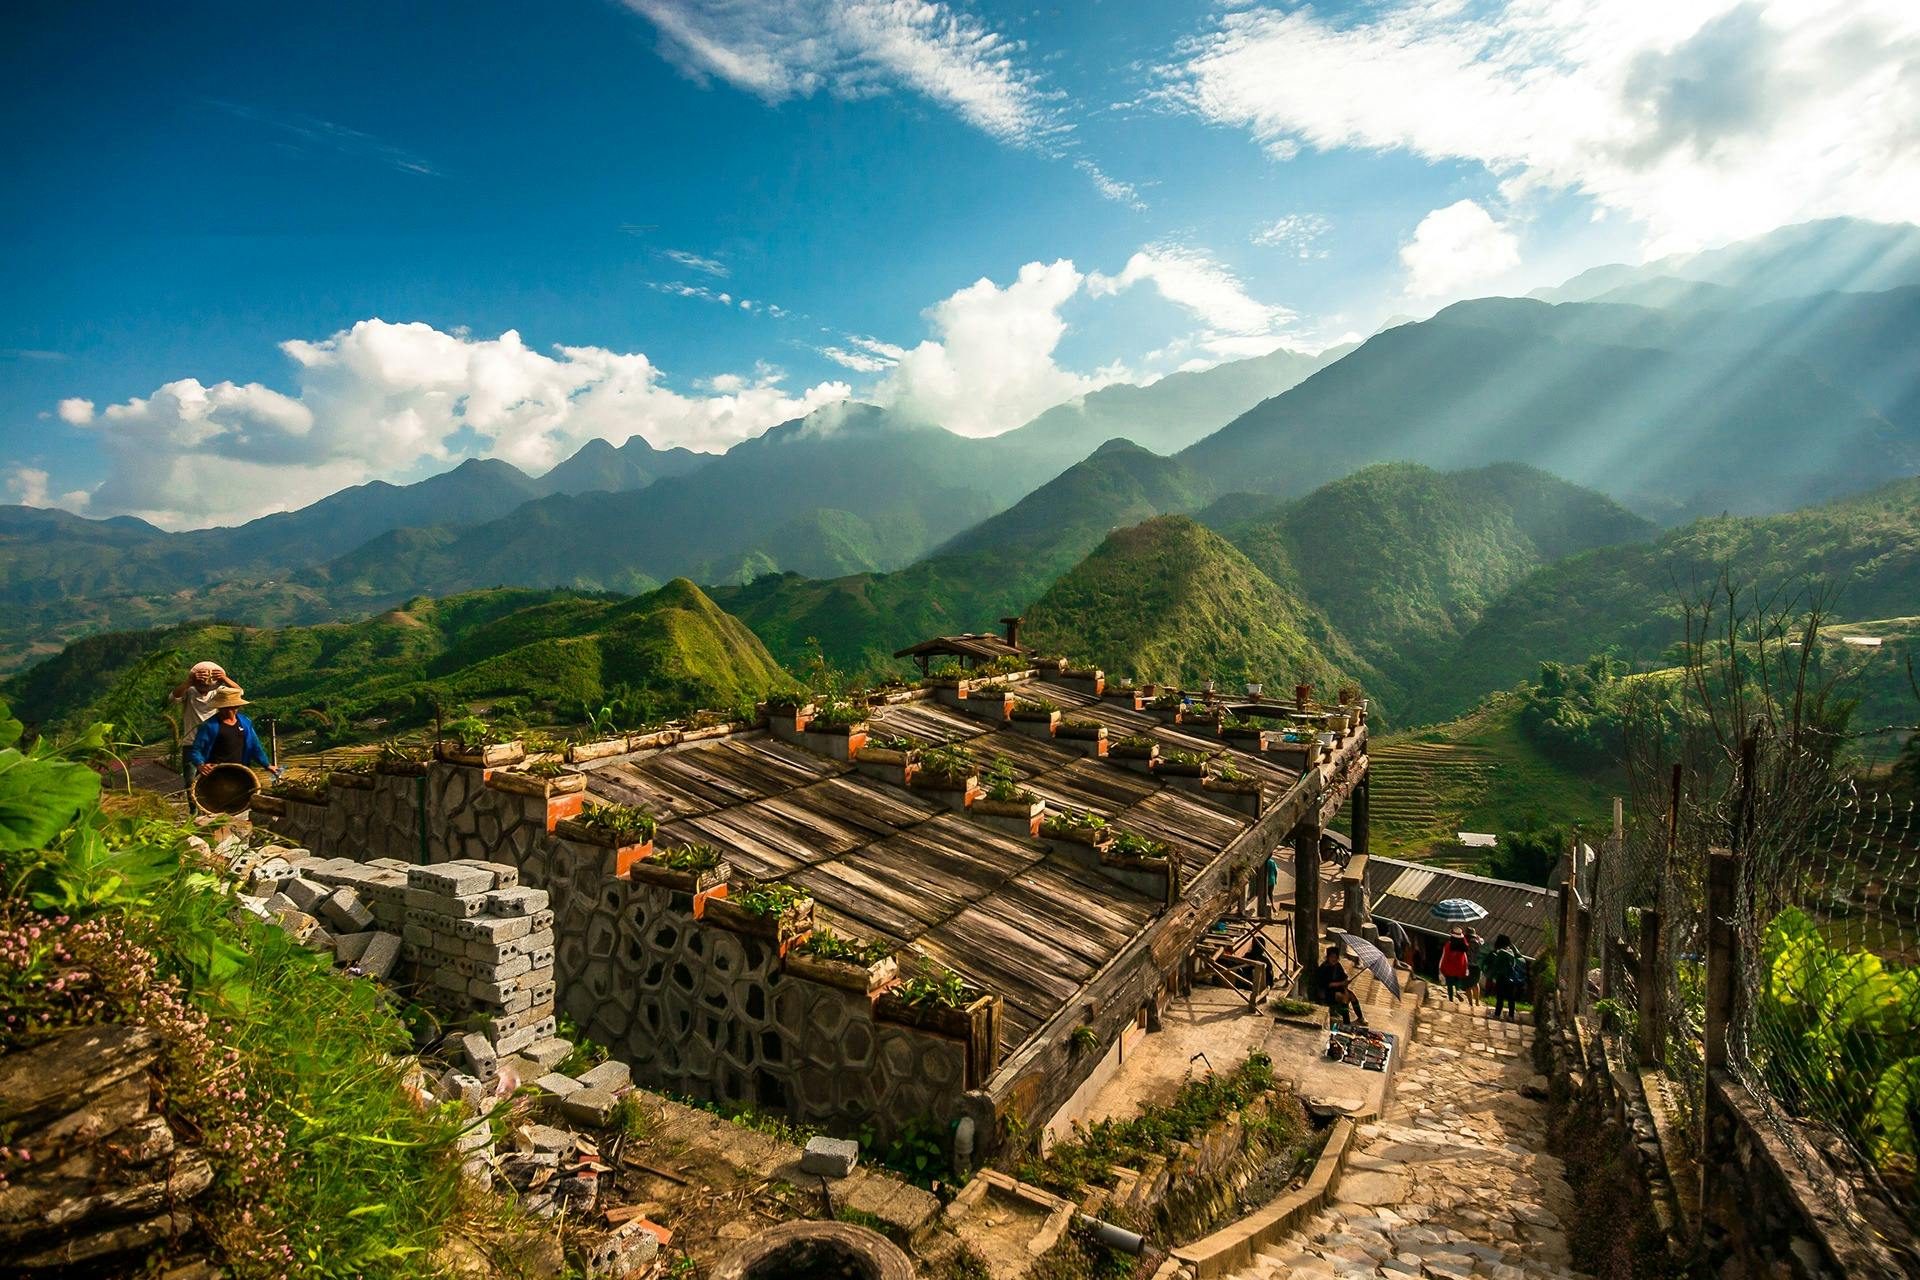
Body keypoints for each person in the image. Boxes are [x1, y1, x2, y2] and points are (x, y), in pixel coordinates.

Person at [170, 662, 242, 793]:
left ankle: (209, 809)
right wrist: (189, 682)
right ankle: (194, 809)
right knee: (190, 781)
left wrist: (224, 678)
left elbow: (238, 692)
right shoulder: (189, 692)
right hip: (191, 743)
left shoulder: (217, 693)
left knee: (212, 779)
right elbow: (174, 697)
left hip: (212, 743)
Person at [186, 687, 280, 781]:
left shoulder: (245, 722)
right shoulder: (209, 726)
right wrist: (200, 764)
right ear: (219, 707)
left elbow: (254, 746)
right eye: (225, 708)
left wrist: (267, 765)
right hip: (215, 774)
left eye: (233, 707)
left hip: (240, 772)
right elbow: (196, 749)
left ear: (238, 706)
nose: (229, 711)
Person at [1315, 943, 1366, 1026]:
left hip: (1339, 988)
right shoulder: (1324, 968)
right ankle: (1346, 1022)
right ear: (1328, 957)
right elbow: (1326, 984)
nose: (1334, 959)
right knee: (1344, 998)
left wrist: (1345, 987)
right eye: (1332, 957)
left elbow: (1344, 977)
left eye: (1335, 957)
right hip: (1328, 992)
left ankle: (1360, 1018)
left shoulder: (1338, 966)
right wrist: (1341, 983)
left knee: (1352, 996)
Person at [1487, 934, 1528, 1021]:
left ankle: (1497, 1015)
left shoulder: (1501, 953)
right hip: (1511, 977)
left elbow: (1496, 966)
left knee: (1500, 997)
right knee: (1511, 998)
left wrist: (1491, 975)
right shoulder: (1510, 951)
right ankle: (1511, 1016)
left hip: (1502, 977)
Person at [1439, 927, 1471, 1002]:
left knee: (1450, 984)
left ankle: (1451, 999)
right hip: (1460, 968)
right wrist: (1466, 968)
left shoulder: (1448, 945)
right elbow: (1465, 957)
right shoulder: (1463, 946)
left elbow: (1444, 956)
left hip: (1450, 968)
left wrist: (1441, 968)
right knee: (1458, 981)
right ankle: (1458, 991)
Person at [1464, 927, 1486, 1009]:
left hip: (1468, 965)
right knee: (1476, 983)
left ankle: (1470, 1004)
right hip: (1478, 966)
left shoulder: (1465, 941)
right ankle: (1477, 1001)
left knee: (1467, 985)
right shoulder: (1480, 941)